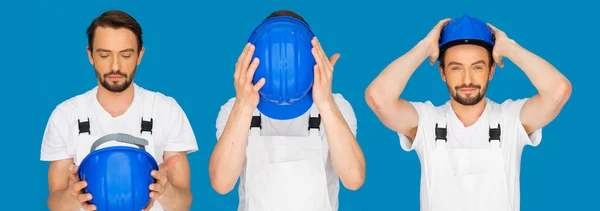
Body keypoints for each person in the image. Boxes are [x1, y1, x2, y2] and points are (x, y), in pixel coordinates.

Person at [365, 14, 571, 211]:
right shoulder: (427, 123)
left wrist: (509, 48)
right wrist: (424, 47)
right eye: (456, 68)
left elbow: (558, 91)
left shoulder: (510, 121)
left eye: (477, 67)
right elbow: (378, 98)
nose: (467, 79)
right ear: (442, 73)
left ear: (491, 71)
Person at [40, 10, 198, 211]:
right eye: (105, 55)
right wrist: (71, 197)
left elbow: (183, 203)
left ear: (140, 55)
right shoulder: (66, 115)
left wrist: (166, 191)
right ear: (90, 55)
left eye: (125, 55)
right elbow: (54, 202)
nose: (115, 66)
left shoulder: (165, 110)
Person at [208, 10, 366, 211]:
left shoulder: (336, 107)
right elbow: (221, 183)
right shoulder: (235, 108)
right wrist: (244, 106)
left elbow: (354, 178)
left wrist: (325, 102)